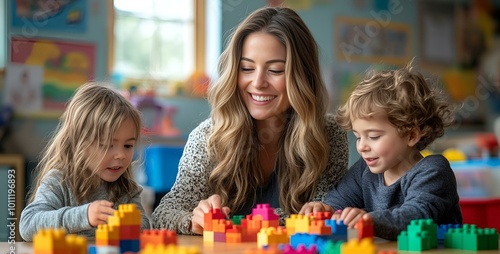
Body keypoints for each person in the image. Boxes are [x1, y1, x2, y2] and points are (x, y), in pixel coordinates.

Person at [151, 6, 349, 235]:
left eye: (275, 70)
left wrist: (234, 222)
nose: (258, 82)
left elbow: (325, 213)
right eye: (246, 68)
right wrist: (192, 220)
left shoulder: (328, 135)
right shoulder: (208, 137)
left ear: (302, 76)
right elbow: (164, 213)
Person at [300, 62, 463, 240]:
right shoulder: (365, 170)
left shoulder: (433, 171)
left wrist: (368, 219)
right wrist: (325, 208)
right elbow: (339, 199)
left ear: (411, 135)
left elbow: (416, 216)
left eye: (374, 136)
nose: (362, 146)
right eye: (358, 136)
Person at [20, 82, 151, 241]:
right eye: (107, 145)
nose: (121, 155)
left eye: (128, 145)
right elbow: (27, 225)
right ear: (79, 143)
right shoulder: (59, 182)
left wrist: (129, 223)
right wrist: (84, 215)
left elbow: (143, 224)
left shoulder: (127, 188)